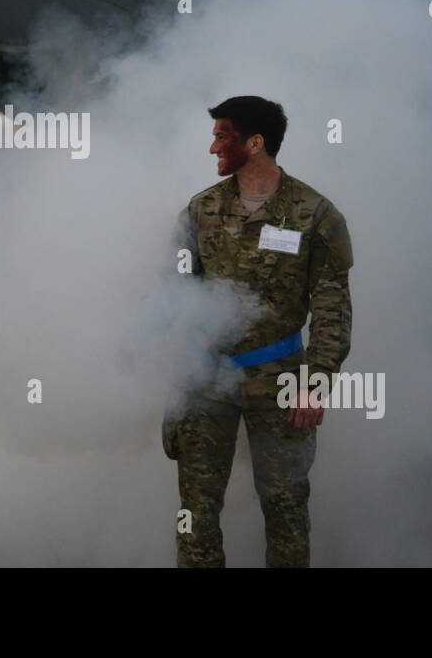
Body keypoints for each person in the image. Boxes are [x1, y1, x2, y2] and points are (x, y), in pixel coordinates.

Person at [167, 96, 353, 567]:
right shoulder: (200, 210)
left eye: (222, 136)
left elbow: (332, 307)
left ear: (255, 143)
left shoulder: (316, 215)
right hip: (206, 381)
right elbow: (175, 295)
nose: (213, 148)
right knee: (196, 513)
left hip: (281, 382)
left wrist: (316, 382)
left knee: (286, 507)